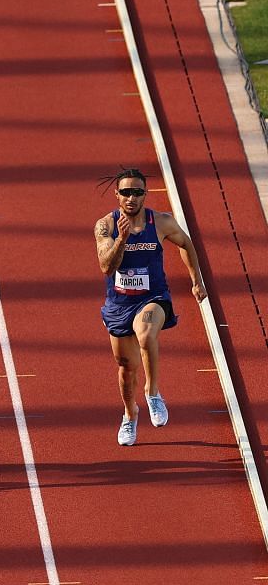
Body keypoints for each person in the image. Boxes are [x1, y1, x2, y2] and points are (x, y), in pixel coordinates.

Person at [94, 168, 208, 446]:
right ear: (117, 195)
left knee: (145, 333)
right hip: (120, 303)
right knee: (125, 367)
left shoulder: (161, 222)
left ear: (146, 194)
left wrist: (197, 281)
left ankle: (153, 393)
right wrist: (121, 239)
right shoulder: (105, 226)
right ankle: (130, 414)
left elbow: (186, 243)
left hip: (153, 297)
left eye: (137, 192)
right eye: (126, 192)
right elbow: (107, 267)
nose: (131, 198)